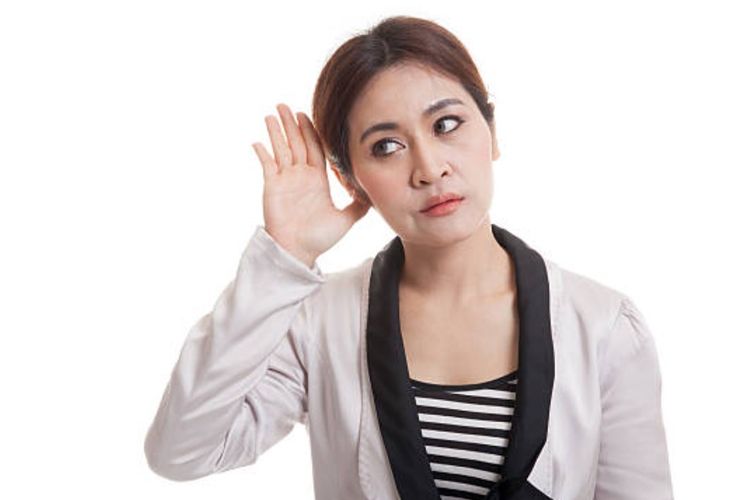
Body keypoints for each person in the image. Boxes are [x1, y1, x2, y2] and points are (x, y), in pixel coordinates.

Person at [144, 15, 674, 500]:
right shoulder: (320, 323)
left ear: (491, 132)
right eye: (386, 147)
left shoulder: (603, 325)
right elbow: (180, 452)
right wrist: (287, 256)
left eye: (446, 125)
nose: (429, 168)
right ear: (351, 179)